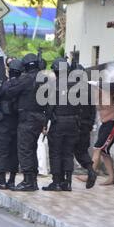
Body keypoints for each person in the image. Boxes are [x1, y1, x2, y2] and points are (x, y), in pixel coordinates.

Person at [4, 53, 46, 191]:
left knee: (25, 150)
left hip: (27, 118)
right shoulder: (43, 79)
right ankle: (32, 181)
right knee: (32, 149)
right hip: (39, 117)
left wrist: (13, 79)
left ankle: (28, 181)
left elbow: (10, 92)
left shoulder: (26, 79)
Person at [42, 58, 80, 191]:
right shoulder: (76, 85)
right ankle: (68, 182)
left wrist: (45, 123)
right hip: (73, 123)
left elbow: (49, 107)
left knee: (56, 153)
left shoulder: (53, 85)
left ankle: (57, 182)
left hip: (58, 122)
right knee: (68, 153)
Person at [0, 59, 24, 190]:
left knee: (2, 151)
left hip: (3, 122)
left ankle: (2, 180)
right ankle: (12, 180)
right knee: (14, 152)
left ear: (9, 70)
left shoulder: (5, 85)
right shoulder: (23, 85)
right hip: (18, 122)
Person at [78, 81, 114, 186]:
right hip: (104, 125)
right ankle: (111, 177)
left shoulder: (110, 96)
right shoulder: (99, 96)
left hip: (112, 124)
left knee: (97, 149)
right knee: (104, 152)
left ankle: (91, 174)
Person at [72, 64, 98, 189]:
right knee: (82, 152)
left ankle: (64, 180)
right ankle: (91, 170)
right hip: (86, 125)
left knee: (66, 152)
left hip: (75, 125)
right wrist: (90, 124)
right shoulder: (89, 88)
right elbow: (93, 109)